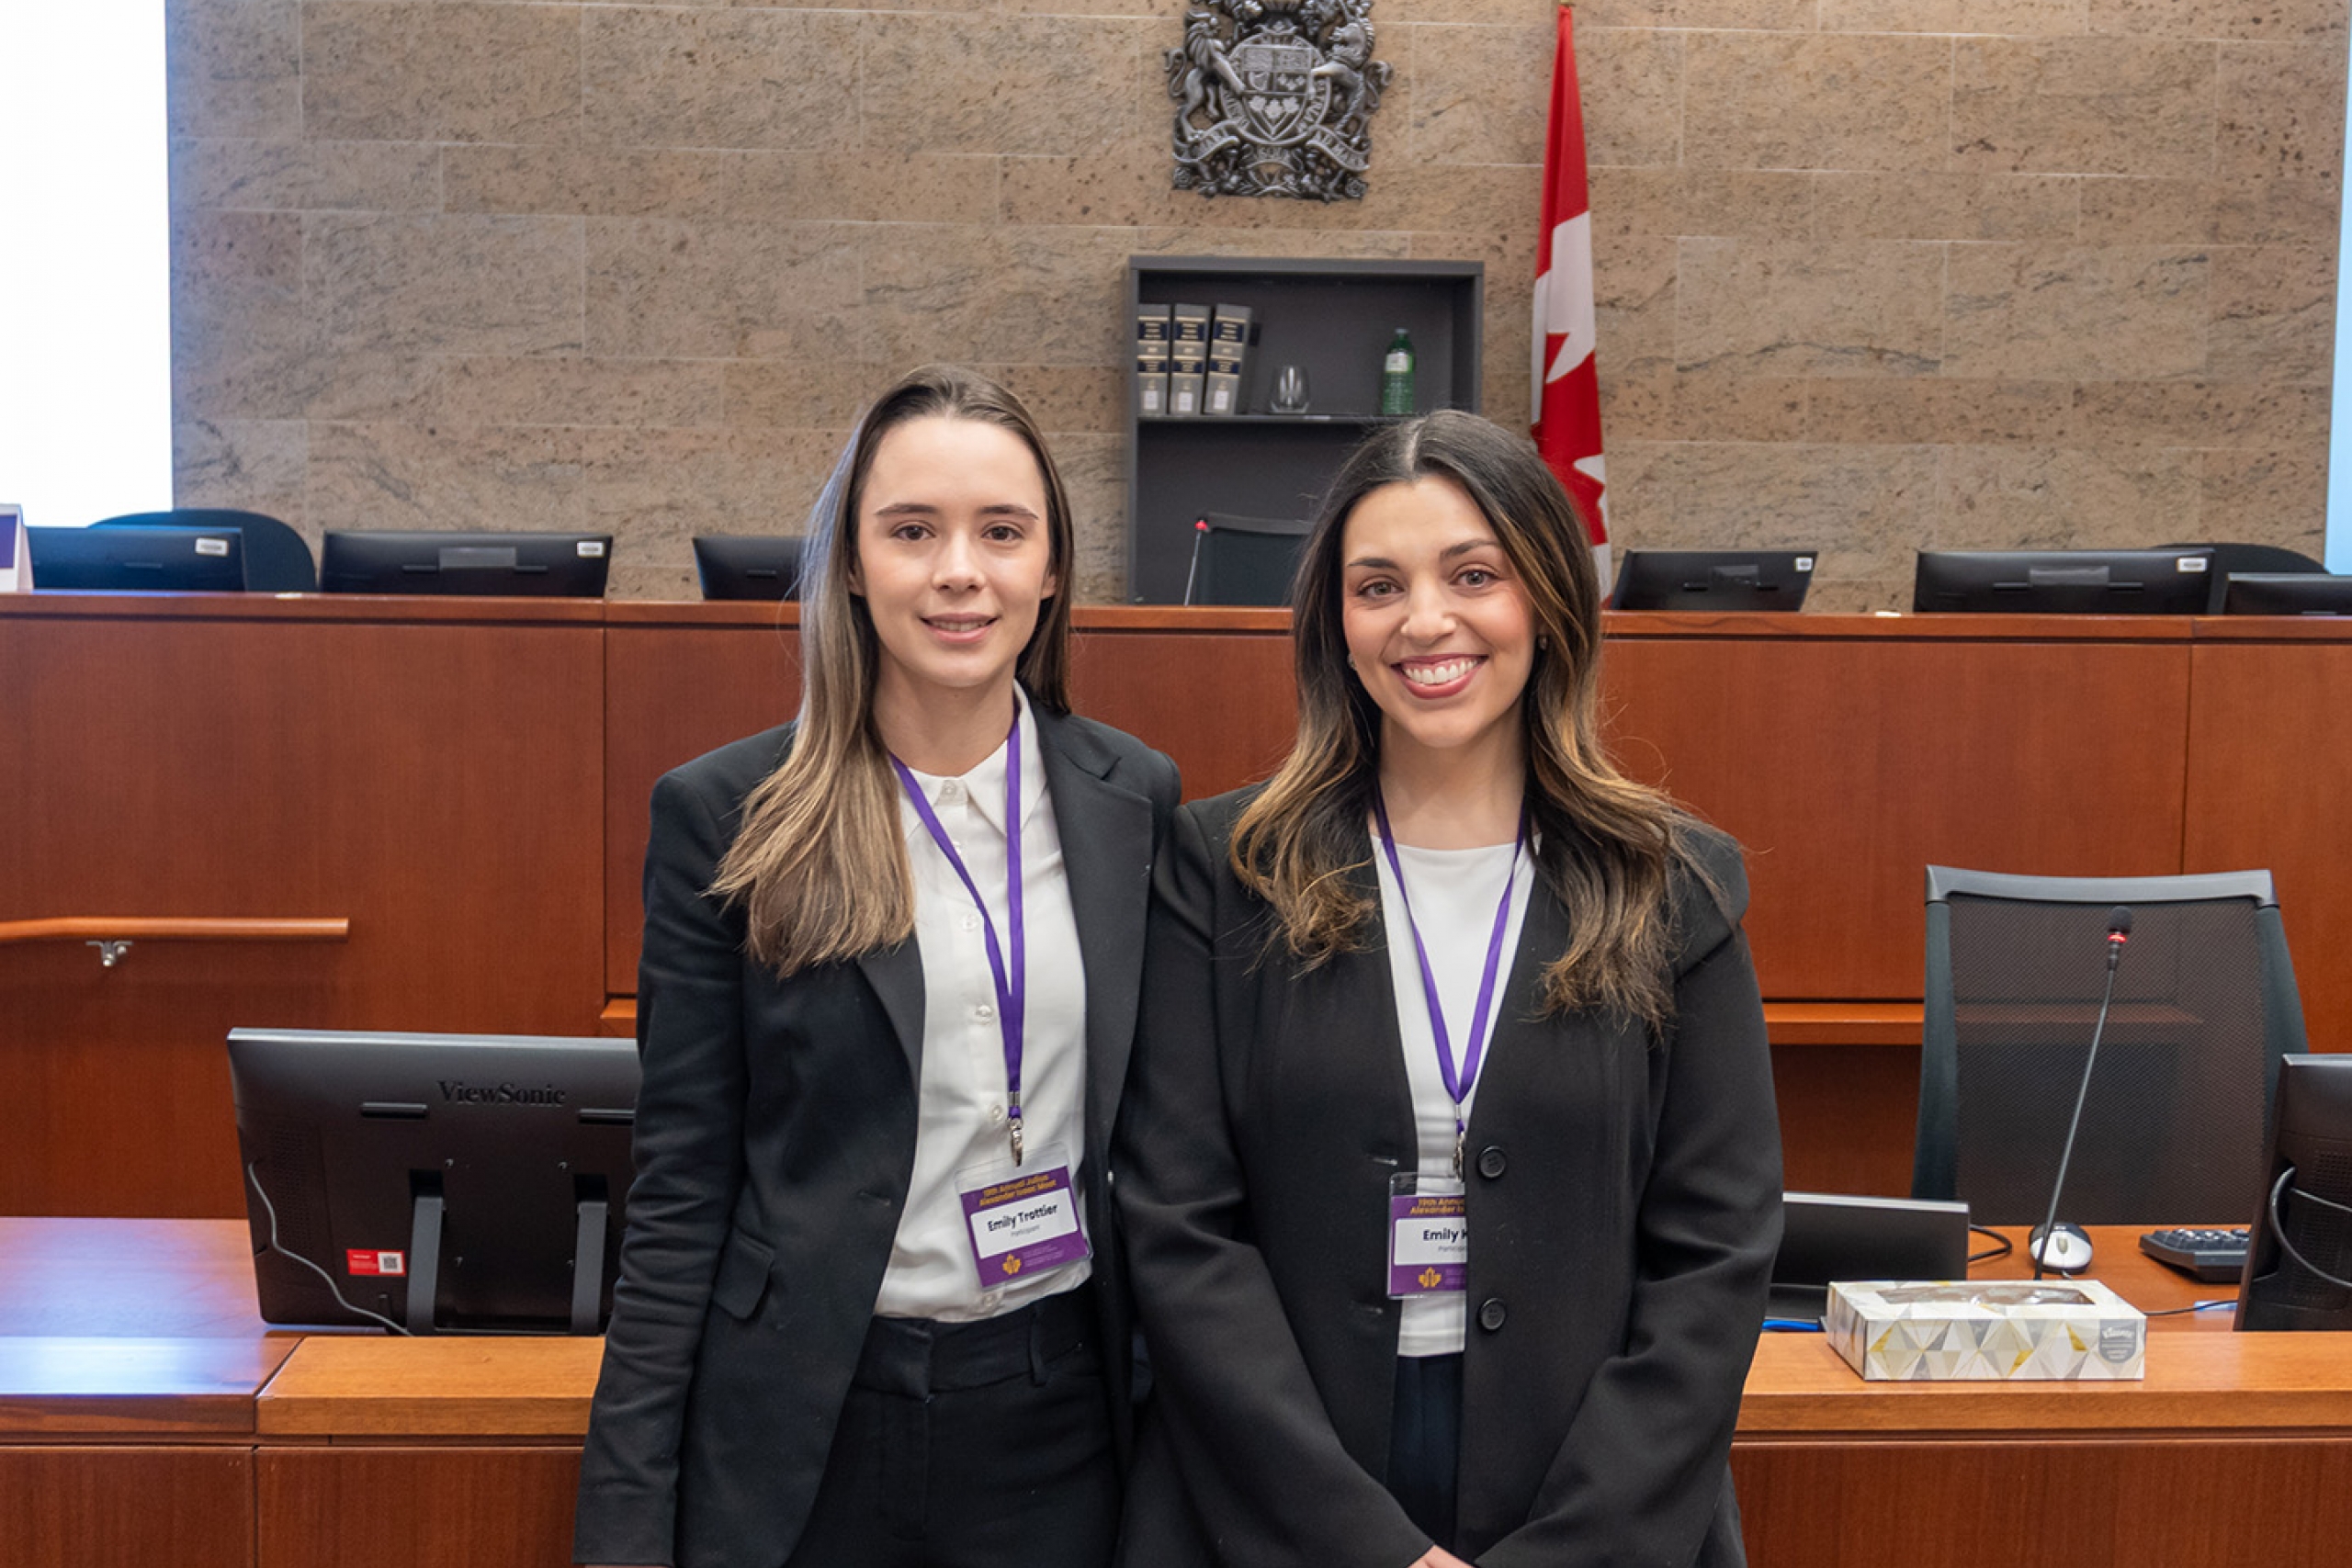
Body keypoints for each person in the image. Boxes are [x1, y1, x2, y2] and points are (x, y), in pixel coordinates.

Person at [1113, 411, 1781, 1568]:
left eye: (1473, 574)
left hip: (1584, 1500)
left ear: (1547, 603)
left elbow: (1715, 1254)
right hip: (1280, 1501)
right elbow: (1181, 1232)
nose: (1426, 620)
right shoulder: (1220, 872)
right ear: (1336, 622)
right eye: (1378, 585)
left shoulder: (1671, 885)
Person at [575, 365, 1182, 1568]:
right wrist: (627, 1516)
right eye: (913, 530)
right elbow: (683, 1187)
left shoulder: (1137, 802)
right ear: (852, 562)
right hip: (808, 1414)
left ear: (1052, 566)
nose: (960, 569)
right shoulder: (729, 812)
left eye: (1002, 532)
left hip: (1055, 1411)